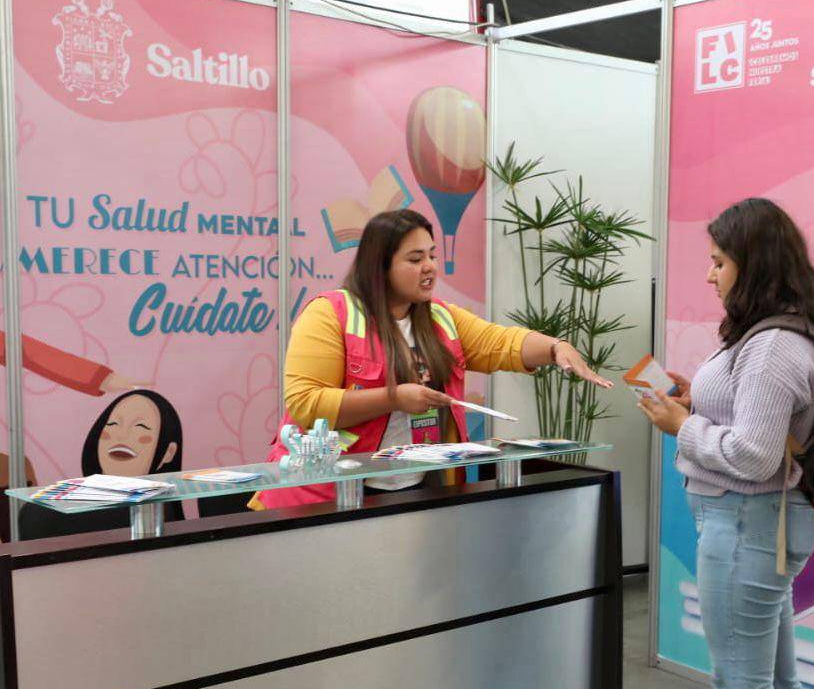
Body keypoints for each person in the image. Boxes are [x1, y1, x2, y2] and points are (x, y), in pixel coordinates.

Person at [638, 197, 814, 689]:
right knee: (773, 687)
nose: (710, 275)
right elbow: (754, 425)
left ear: (753, 263)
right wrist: (697, 403)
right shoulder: (780, 334)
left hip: (745, 527)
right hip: (759, 529)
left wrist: (677, 428)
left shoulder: (774, 345)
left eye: (719, 261)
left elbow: (752, 455)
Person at [252, 208, 610, 509]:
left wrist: (554, 348)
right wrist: (395, 398)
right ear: (380, 267)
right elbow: (305, 403)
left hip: (416, 487)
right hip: (326, 492)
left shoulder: (439, 316)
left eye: (433, 255)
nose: (430, 267)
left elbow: (500, 342)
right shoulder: (330, 314)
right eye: (415, 258)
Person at [19, 389, 185, 539]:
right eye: (112, 424)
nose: (121, 435)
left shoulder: (160, 514)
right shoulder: (45, 515)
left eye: (140, 426)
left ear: (168, 452)